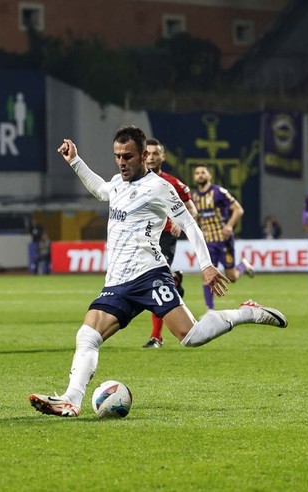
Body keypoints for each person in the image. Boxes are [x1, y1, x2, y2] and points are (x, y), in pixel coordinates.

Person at [28, 127, 287, 418]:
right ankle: (71, 400)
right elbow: (100, 190)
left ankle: (246, 312)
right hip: (117, 282)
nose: (121, 162)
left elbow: (189, 224)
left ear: (142, 157)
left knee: (192, 336)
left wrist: (206, 265)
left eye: (128, 156)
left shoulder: (160, 188)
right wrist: (76, 161)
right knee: (87, 335)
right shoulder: (117, 183)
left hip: (149, 274)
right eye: (117, 156)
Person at [140, 138, 198, 349]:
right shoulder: (132, 182)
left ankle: (156, 337)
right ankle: (175, 281)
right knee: (149, 283)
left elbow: (193, 210)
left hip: (164, 238)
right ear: (143, 155)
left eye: (157, 153)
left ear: (163, 156)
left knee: (156, 283)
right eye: (149, 153)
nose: (153, 157)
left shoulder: (173, 183)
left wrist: (179, 223)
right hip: (141, 239)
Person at [191, 165, 255, 311]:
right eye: (197, 173)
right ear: (194, 177)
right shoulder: (193, 197)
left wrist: (229, 226)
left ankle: (243, 266)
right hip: (207, 242)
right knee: (207, 275)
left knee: (232, 277)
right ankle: (210, 310)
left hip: (223, 240)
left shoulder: (218, 192)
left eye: (203, 172)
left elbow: (238, 210)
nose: (200, 175)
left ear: (209, 175)